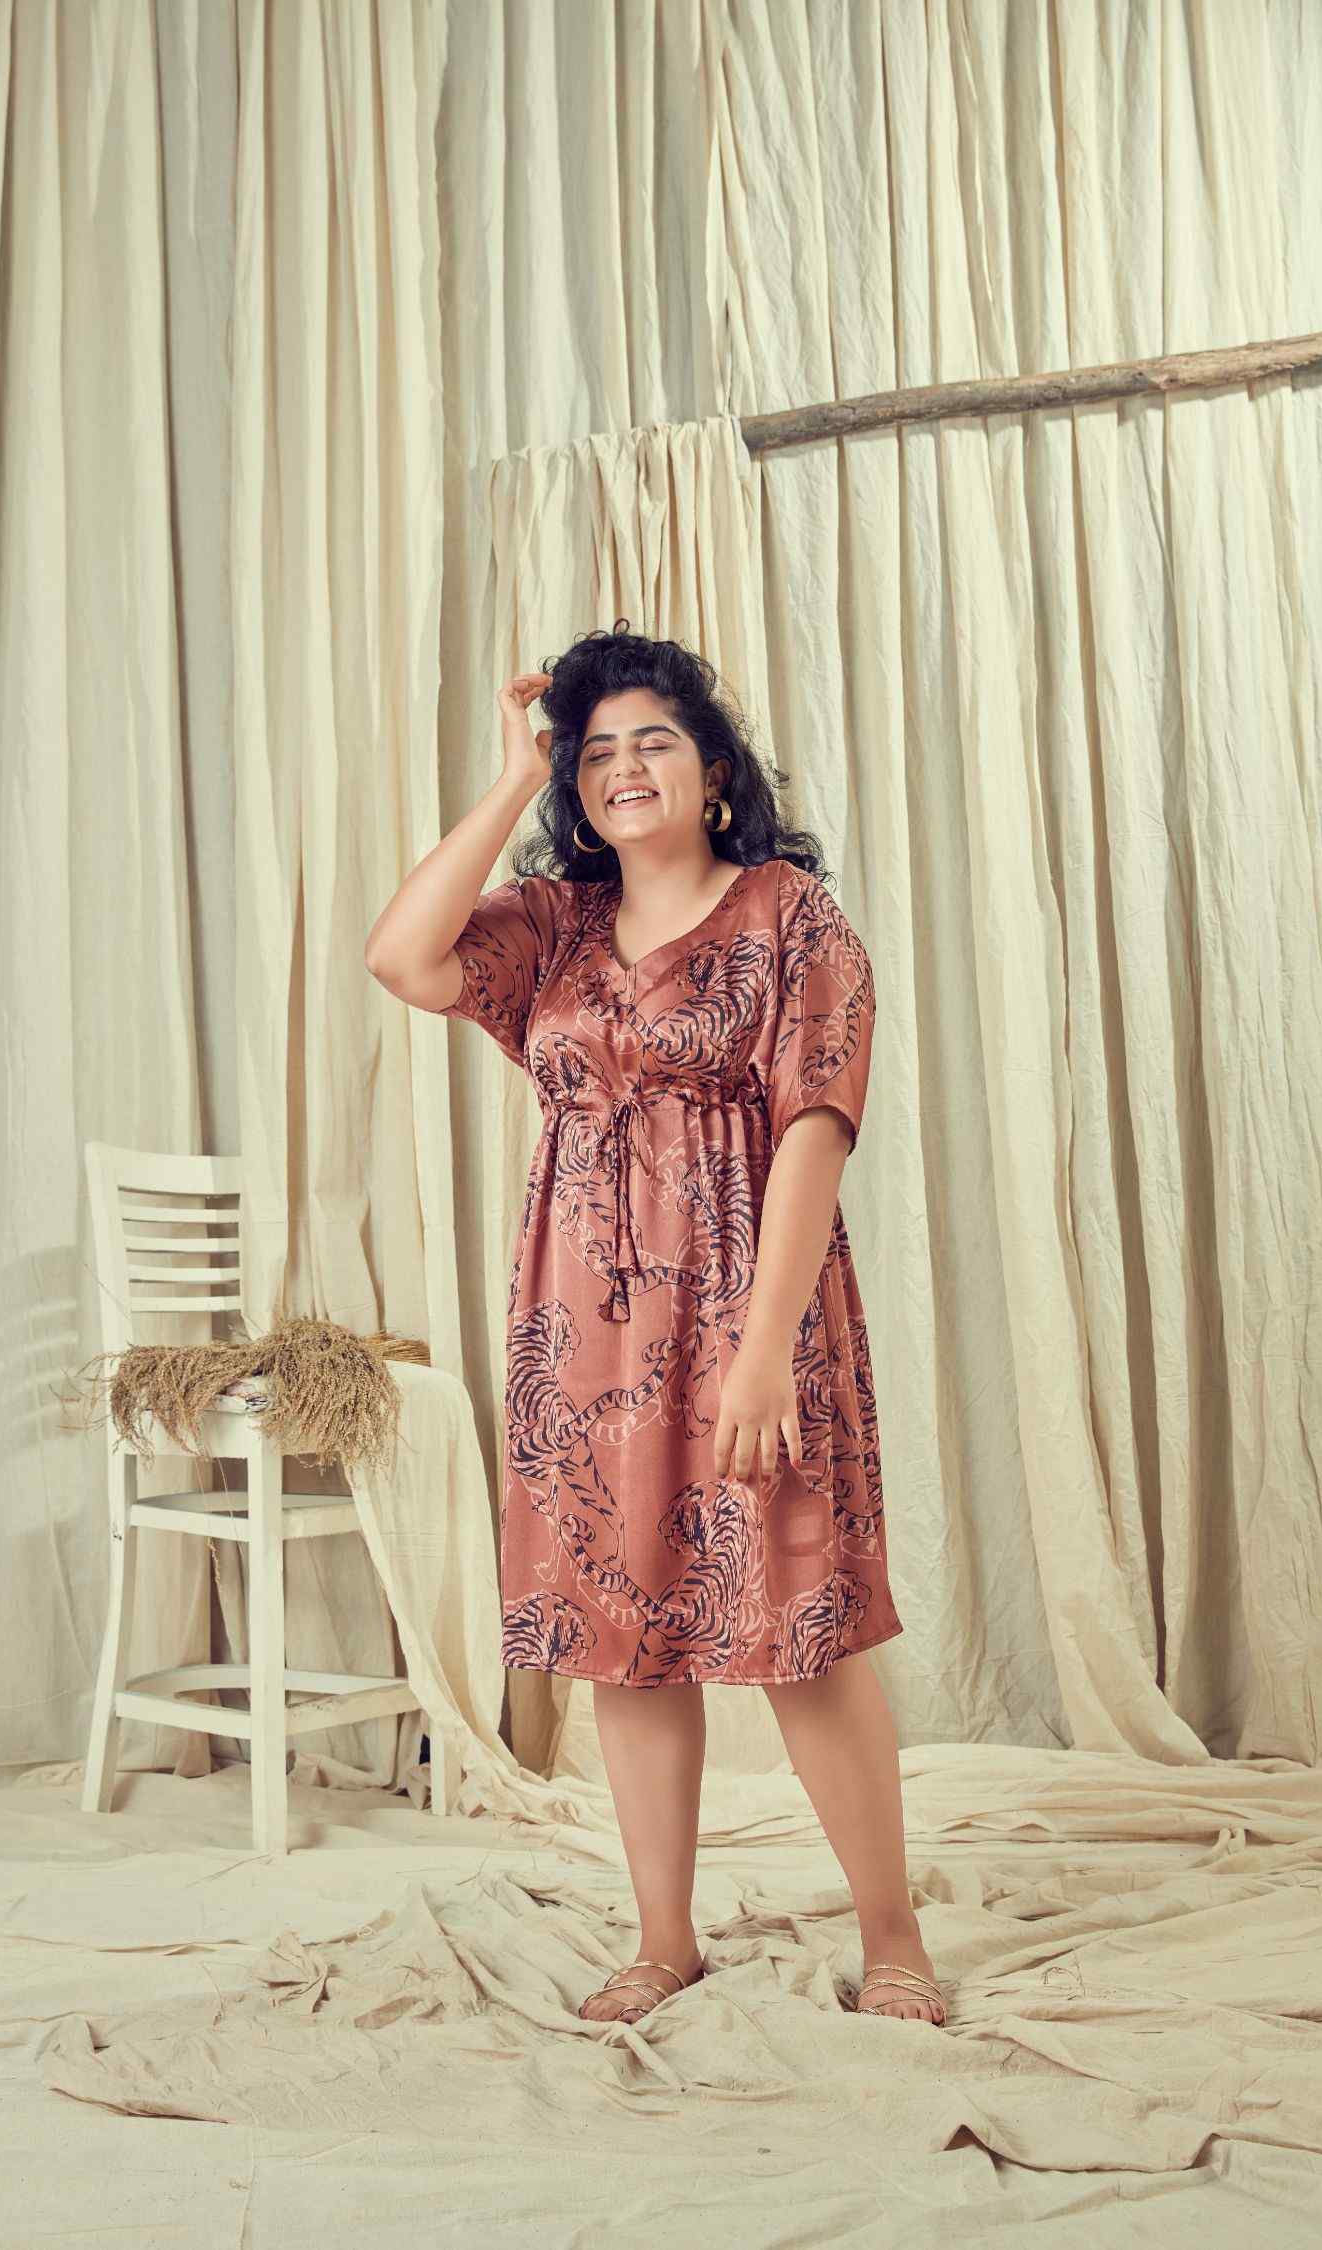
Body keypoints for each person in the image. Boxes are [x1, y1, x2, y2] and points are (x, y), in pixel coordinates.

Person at [365, 624, 945, 2029]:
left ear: (716, 771)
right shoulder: (554, 926)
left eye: (655, 742)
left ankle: (895, 1942)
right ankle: (664, 1938)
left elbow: (816, 1128)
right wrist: (518, 774)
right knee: (621, 1631)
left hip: (753, 1312)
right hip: (585, 1334)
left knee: (803, 1624)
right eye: (597, 751)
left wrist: (766, 1346)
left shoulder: (789, 914)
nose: (623, 769)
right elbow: (400, 955)